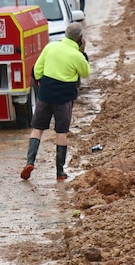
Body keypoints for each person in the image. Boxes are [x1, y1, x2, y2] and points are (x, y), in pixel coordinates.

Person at [20, 23, 90, 180]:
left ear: (65, 34)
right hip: (64, 99)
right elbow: (86, 72)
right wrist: (83, 53)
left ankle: (29, 162)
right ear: (80, 39)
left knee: (37, 129)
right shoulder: (77, 55)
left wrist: (42, 82)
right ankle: (59, 171)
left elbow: (37, 69)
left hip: (45, 95)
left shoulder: (50, 47)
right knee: (61, 133)